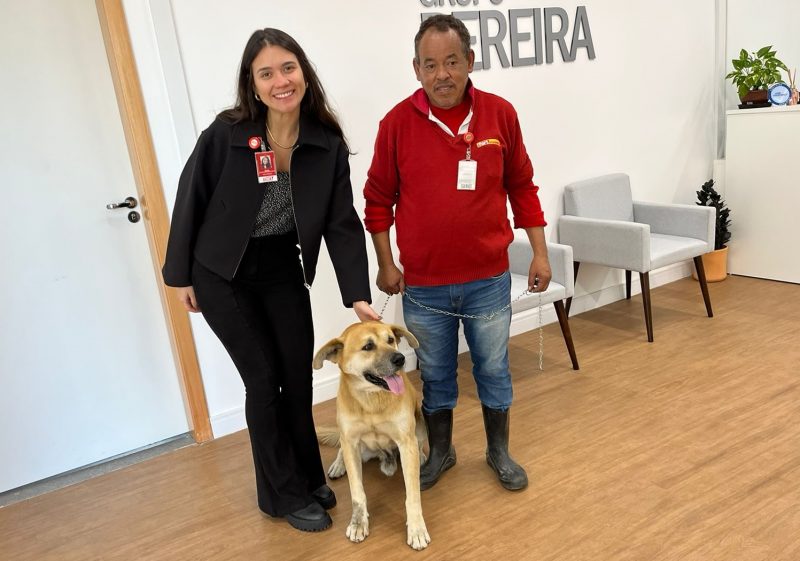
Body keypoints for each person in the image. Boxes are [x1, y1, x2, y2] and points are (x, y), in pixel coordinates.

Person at [162, 28, 379, 532]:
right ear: (253, 83)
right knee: (262, 380)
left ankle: (307, 476)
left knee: (296, 376)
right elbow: (190, 196)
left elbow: (342, 223)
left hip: (280, 265)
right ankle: (280, 495)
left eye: (288, 68)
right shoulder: (227, 134)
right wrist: (180, 275)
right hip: (222, 271)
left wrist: (358, 295)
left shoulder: (324, 143)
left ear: (303, 72)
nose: (280, 81)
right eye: (267, 73)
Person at [363, 15, 551, 492]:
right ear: (416, 69)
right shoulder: (396, 124)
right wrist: (386, 263)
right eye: (430, 65)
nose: (441, 74)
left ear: (470, 60)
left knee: (493, 368)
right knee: (435, 374)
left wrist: (540, 253)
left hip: (488, 279)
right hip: (424, 287)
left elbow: (522, 187)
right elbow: (378, 200)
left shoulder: (500, 114)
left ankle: (498, 451)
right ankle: (442, 452)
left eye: (451, 62)